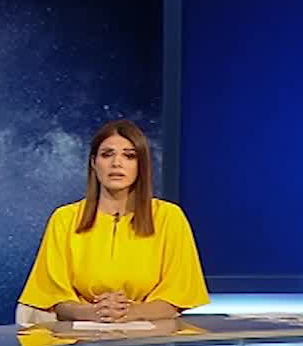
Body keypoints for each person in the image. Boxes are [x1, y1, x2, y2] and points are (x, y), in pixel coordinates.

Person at [16, 119, 210, 324]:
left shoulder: (169, 217)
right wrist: (94, 312)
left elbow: (175, 298)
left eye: (129, 156)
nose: (117, 163)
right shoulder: (64, 219)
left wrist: (128, 312)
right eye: (107, 154)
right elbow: (55, 297)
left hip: (150, 336)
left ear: (141, 165)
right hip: (79, 335)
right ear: (93, 163)